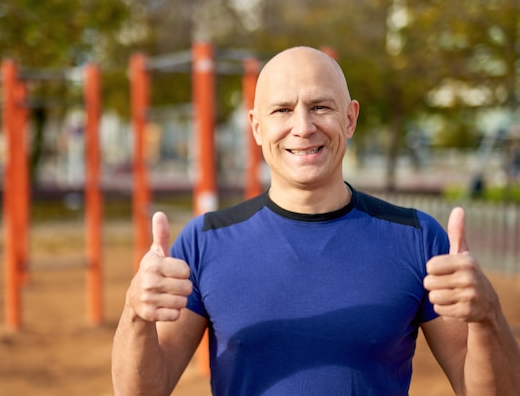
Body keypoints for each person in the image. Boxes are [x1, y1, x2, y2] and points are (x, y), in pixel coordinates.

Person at [111, 46, 520, 395]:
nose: (303, 127)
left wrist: (488, 315)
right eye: (282, 110)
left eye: (320, 106)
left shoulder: (417, 238)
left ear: (350, 118)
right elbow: (143, 390)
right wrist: (134, 313)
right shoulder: (204, 241)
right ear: (256, 126)